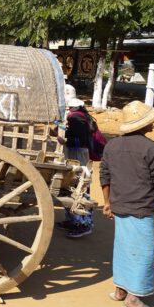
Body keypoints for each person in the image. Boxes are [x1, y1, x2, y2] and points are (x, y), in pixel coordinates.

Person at [101, 100, 154, 307]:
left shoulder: (111, 146)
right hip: (141, 207)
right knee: (143, 252)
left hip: (119, 203)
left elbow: (105, 175)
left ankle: (120, 289)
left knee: (122, 246)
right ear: (144, 125)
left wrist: (107, 202)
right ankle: (133, 299)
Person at [56, 85, 94, 238]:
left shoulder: (76, 117)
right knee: (70, 184)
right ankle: (72, 220)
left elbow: (78, 139)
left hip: (77, 154)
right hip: (77, 153)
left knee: (79, 185)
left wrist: (64, 140)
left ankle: (83, 224)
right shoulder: (79, 115)